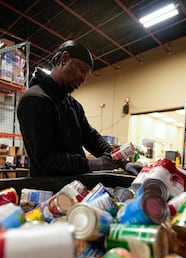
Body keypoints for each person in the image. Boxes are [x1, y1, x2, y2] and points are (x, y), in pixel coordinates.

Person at [17, 40, 142, 177]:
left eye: (86, 75)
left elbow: (92, 139)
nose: (83, 78)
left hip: (74, 186)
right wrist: (92, 164)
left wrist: (123, 162)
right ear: (64, 59)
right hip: (48, 189)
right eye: (82, 70)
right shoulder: (35, 100)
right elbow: (47, 159)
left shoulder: (73, 105)